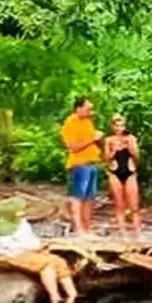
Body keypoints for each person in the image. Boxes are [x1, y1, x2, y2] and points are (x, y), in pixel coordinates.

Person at [0, 197, 78, 303]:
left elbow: (31, 239)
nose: (23, 212)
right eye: (19, 210)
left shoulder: (22, 222)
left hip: (31, 251)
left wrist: (39, 245)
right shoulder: (4, 227)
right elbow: (8, 246)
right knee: (47, 264)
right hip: (13, 254)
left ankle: (72, 294)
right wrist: (31, 248)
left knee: (59, 261)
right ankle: (54, 296)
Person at [59, 96, 104, 235]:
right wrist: (93, 138)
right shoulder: (71, 123)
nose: (91, 111)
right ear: (78, 108)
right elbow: (72, 147)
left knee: (90, 198)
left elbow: (93, 142)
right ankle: (79, 229)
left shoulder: (88, 121)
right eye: (88, 108)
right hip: (80, 164)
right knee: (78, 196)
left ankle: (87, 228)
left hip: (92, 163)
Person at [104, 115, 142, 241]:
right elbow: (106, 158)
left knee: (134, 206)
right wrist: (113, 151)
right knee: (119, 205)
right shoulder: (109, 140)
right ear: (113, 126)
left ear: (125, 126)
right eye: (116, 125)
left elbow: (137, 157)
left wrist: (130, 147)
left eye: (121, 125)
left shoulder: (131, 138)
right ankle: (123, 233)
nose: (119, 128)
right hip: (115, 172)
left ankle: (137, 234)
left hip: (130, 171)